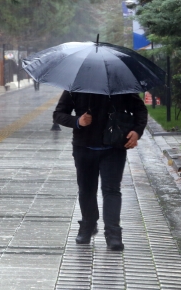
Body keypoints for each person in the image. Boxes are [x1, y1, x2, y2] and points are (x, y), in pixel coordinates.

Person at [53, 91, 147, 251]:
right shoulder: (76, 87)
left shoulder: (120, 86)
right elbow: (58, 114)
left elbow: (140, 110)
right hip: (84, 147)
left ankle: (113, 234)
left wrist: (137, 131)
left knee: (111, 190)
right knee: (86, 190)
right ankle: (87, 226)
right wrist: (78, 121)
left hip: (114, 147)